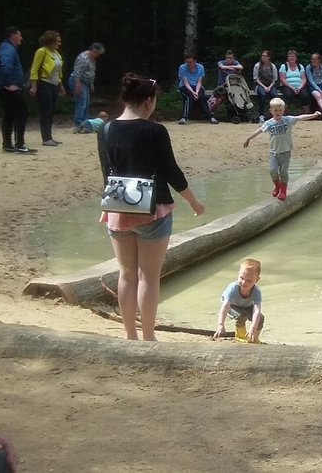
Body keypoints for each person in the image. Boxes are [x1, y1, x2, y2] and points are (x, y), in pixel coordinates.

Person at [97, 73, 205, 341]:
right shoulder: (155, 131)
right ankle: (148, 336)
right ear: (148, 101)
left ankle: (130, 335)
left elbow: (107, 171)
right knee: (148, 277)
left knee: (126, 274)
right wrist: (193, 200)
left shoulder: (106, 129)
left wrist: (106, 204)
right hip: (152, 209)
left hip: (117, 208)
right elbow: (171, 172)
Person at [244, 97, 320, 200]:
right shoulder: (269, 123)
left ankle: (283, 191)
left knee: (283, 172)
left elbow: (300, 117)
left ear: (283, 110)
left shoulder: (288, 120)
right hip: (273, 153)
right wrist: (249, 138)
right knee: (273, 171)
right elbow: (259, 131)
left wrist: (314, 115)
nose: (278, 112)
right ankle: (277, 186)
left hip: (285, 152)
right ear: (271, 111)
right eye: (275, 110)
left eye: (280, 110)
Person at [0, 27, 32, 154]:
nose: (21, 38)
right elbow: (5, 65)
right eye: (19, 35)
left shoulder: (6, 47)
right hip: (10, 88)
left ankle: (7, 144)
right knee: (22, 113)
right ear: (13, 36)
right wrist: (9, 83)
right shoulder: (8, 49)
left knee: (9, 115)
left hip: (5, 87)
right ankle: (20, 144)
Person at [212, 258, 265, 343]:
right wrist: (221, 325)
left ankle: (254, 337)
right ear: (238, 275)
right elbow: (225, 307)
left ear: (257, 280)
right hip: (232, 305)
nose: (244, 282)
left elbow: (256, 311)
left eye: (249, 280)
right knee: (241, 316)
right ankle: (240, 335)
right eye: (241, 278)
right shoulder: (233, 289)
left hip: (247, 305)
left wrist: (253, 327)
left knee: (261, 318)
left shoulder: (256, 292)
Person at [28, 29, 65, 146]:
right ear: (50, 41)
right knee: (45, 111)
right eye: (57, 41)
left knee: (51, 111)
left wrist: (61, 84)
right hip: (44, 83)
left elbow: (58, 71)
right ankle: (46, 138)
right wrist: (34, 86)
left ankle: (49, 136)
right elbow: (34, 69)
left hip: (54, 84)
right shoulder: (41, 51)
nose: (59, 43)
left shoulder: (56, 53)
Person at [68, 42, 105, 134]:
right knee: (81, 103)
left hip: (86, 82)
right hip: (78, 81)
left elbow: (91, 72)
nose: (98, 55)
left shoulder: (92, 59)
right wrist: (77, 84)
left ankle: (85, 123)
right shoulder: (83, 58)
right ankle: (78, 124)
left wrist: (91, 83)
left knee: (86, 102)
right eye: (97, 53)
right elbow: (77, 72)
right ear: (93, 50)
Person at [177, 53, 217, 125]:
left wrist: (197, 92)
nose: (189, 64)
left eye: (190, 62)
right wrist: (193, 92)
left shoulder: (200, 67)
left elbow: (199, 82)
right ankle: (184, 117)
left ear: (195, 61)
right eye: (187, 62)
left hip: (197, 86)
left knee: (202, 97)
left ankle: (210, 117)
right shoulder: (182, 68)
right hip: (185, 86)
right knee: (189, 97)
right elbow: (185, 82)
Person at [252, 49, 279, 120]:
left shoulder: (272, 66)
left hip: (270, 85)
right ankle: (261, 114)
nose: (263, 57)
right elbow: (256, 78)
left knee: (274, 96)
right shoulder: (257, 65)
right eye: (262, 56)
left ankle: (274, 114)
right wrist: (264, 87)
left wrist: (269, 87)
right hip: (260, 85)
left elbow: (275, 79)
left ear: (268, 57)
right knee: (263, 95)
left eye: (265, 56)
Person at [305, 52, 322, 119]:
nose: (313, 60)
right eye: (312, 59)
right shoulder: (308, 68)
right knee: (318, 96)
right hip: (313, 86)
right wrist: (319, 90)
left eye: (315, 59)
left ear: (319, 60)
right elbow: (311, 81)